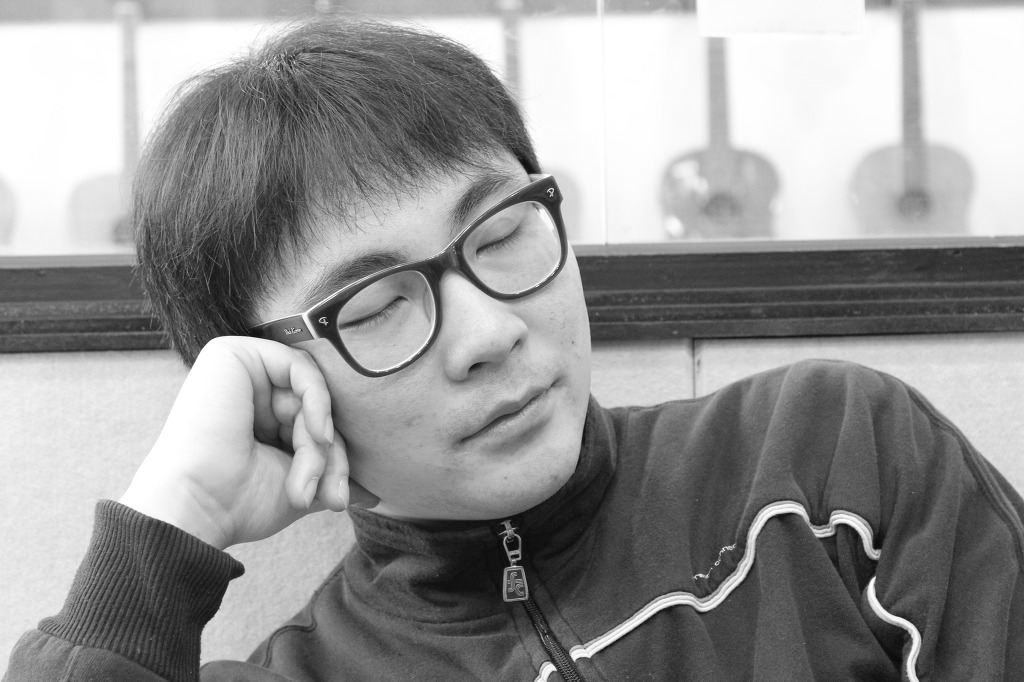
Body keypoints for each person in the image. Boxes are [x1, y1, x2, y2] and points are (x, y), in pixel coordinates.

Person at [5, 17, 1023, 682]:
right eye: (378, 304)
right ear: (273, 383)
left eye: (501, 235)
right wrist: (171, 515)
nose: (492, 333)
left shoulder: (826, 456)